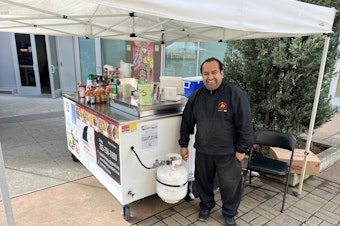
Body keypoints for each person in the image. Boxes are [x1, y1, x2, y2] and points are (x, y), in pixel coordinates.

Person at [178, 57, 253, 226]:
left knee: (230, 185)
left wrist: (242, 150)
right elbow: (187, 122)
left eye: (214, 72)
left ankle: (229, 213)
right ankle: (206, 206)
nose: (210, 77)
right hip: (203, 151)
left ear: (222, 73)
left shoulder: (235, 95)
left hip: (229, 153)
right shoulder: (196, 97)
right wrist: (183, 144)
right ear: (202, 76)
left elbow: (246, 125)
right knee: (203, 182)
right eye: (206, 73)